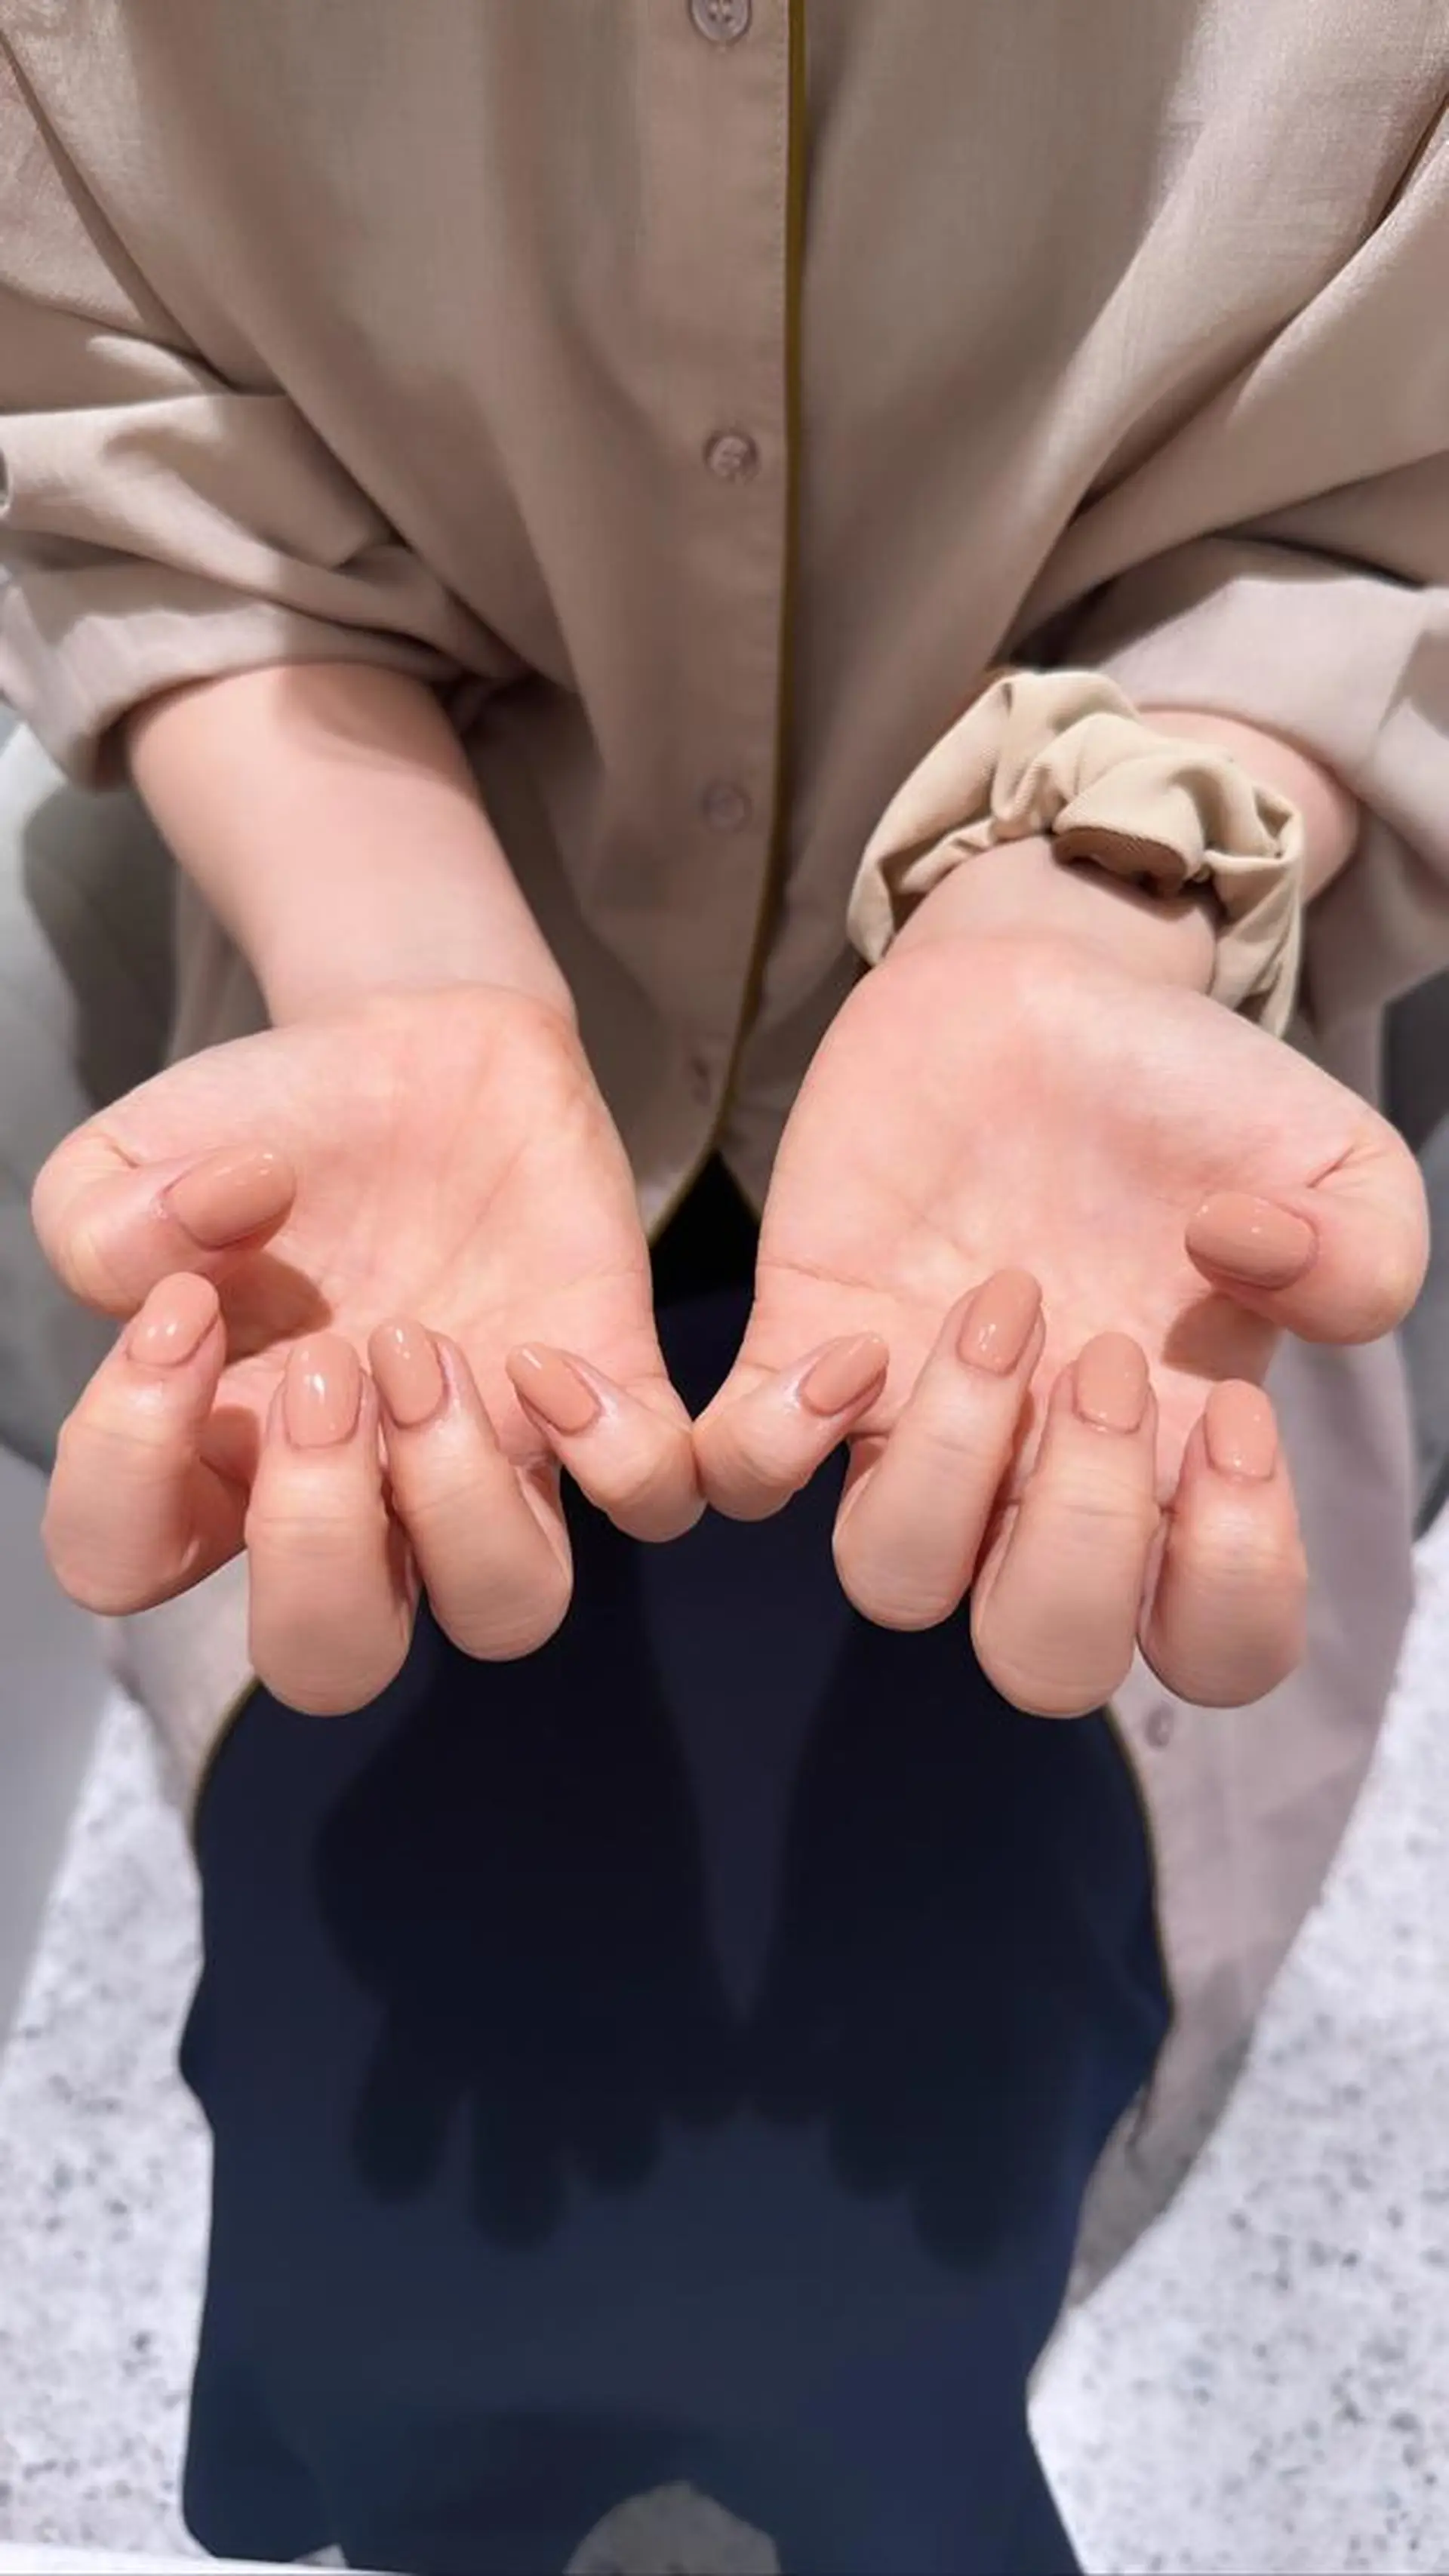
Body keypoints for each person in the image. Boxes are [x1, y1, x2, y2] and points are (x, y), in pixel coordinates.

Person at [0, 5, 1444, 2570]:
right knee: (411, 2208)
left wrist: (1095, 912)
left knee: (882, 2221)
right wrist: (402, 964)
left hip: (1164, 1018)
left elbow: (1387, 485)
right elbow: (109, 415)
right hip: (405, 998)